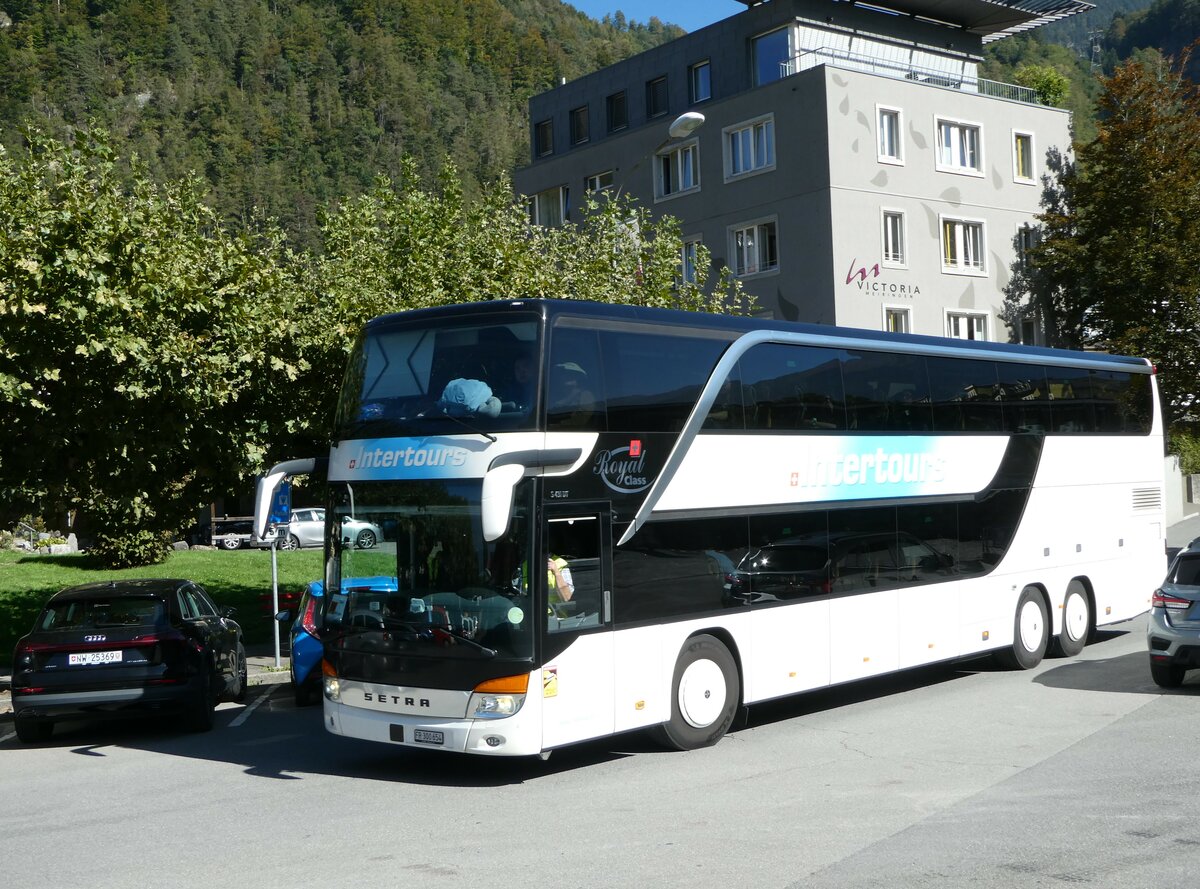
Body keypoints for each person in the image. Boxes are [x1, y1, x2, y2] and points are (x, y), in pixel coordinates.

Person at [548, 361, 596, 427]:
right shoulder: (555, 396)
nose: (567, 376)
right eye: (564, 374)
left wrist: (555, 425)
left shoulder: (586, 395)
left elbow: (580, 421)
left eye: (571, 374)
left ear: (578, 378)